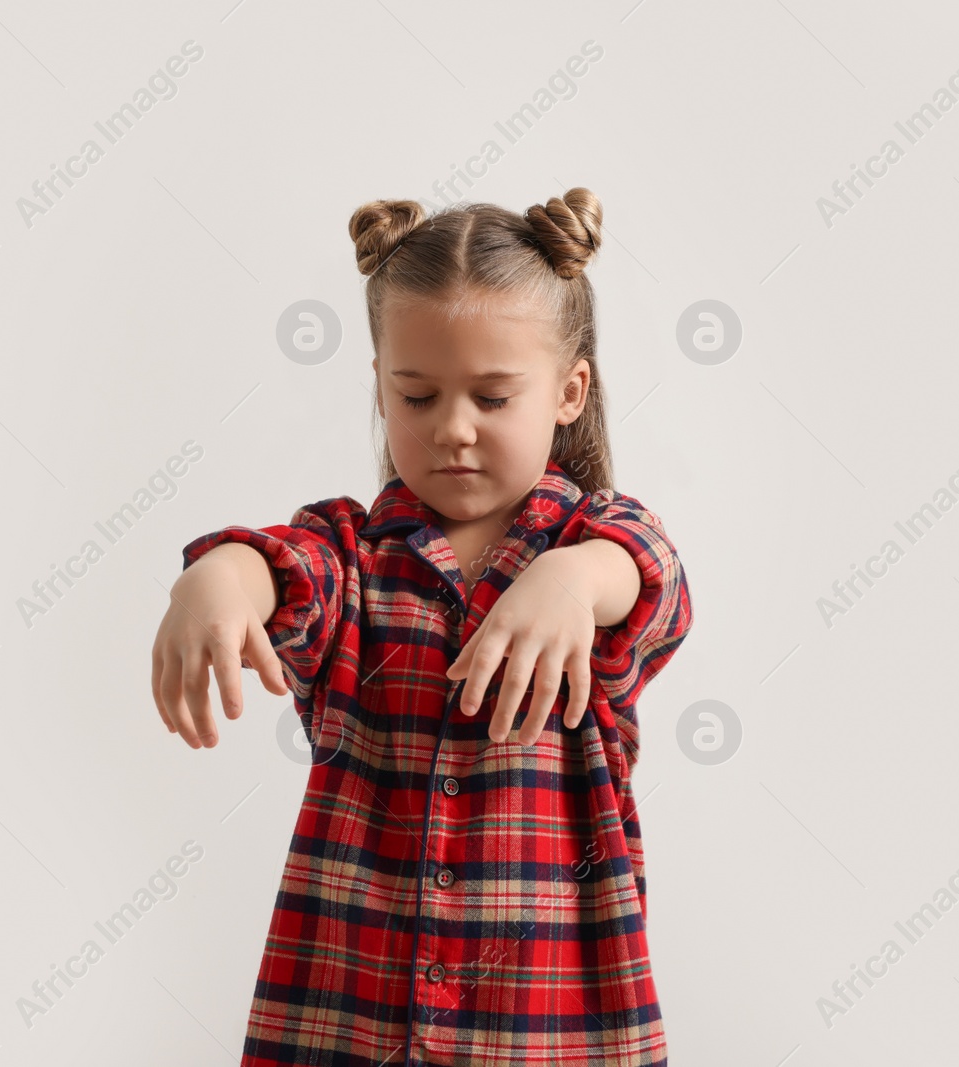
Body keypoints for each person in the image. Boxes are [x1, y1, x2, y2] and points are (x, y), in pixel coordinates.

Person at [150, 187, 692, 1066]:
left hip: (547, 1022)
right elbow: (286, 567)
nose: (453, 429)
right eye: (418, 396)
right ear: (379, 385)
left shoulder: (596, 551)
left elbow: (654, 577)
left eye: (491, 396)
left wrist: (571, 575)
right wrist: (219, 575)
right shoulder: (355, 558)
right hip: (347, 1011)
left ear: (568, 391)